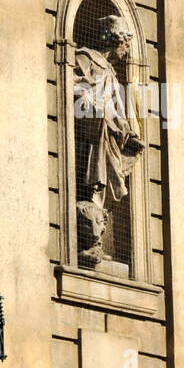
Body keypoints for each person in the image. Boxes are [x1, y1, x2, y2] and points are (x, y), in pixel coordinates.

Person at [73, 14, 145, 264]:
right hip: (92, 137)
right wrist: (95, 109)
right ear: (114, 39)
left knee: (105, 185)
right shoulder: (85, 57)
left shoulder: (112, 72)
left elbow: (117, 109)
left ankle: (98, 235)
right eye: (125, 43)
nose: (126, 50)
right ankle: (89, 238)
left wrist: (128, 132)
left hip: (109, 138)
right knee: (93, 181)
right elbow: (75, 88)